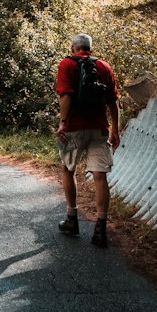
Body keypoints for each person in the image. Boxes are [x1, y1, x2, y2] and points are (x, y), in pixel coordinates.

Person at [55, 33, 120, 248]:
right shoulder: (104, 66)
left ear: (74, 48)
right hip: (99, 128)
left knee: (68, 169)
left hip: (74, 129)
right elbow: (113, 101)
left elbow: (66, 95)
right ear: (89, 48)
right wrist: (115, 130)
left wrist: (63, 123)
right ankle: (100, 229)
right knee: (100, 176)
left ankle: (72, 220)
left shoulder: (67, 64)